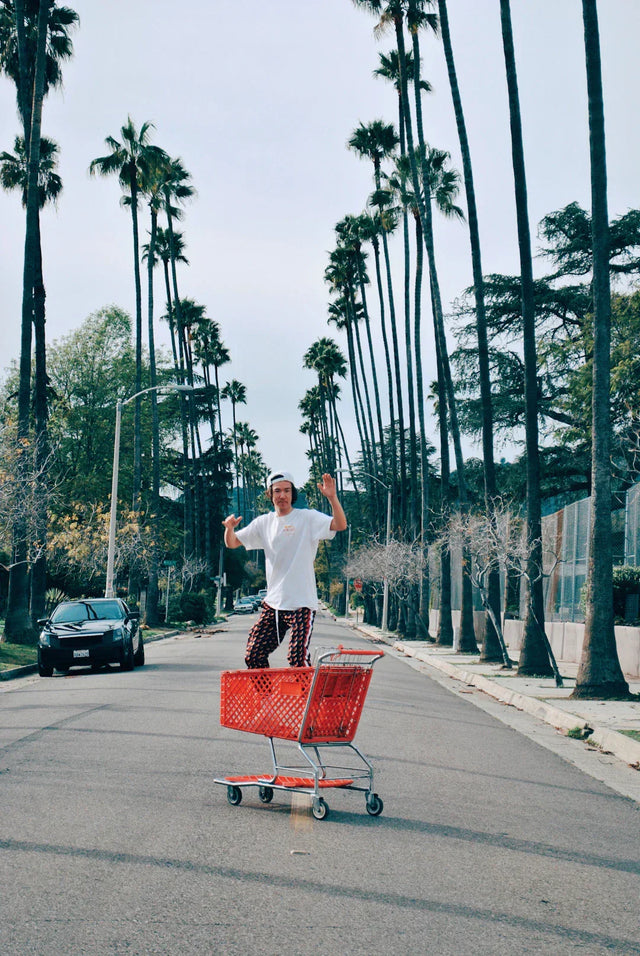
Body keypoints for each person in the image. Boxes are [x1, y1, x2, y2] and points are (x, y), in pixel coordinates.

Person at [223, 471, 347, 668]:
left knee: (297, 658)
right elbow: (232, 543)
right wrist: (229, 528)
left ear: (292, 494)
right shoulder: (264, 523)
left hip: (301, 603)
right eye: (277, 491)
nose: (282, 495)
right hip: (273, 604)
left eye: (287, 491)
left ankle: (307, 697)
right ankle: (266, 698)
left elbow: (340, 524)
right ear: (270, 494)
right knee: (253, 654)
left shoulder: (307, 518)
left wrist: (332, 497)